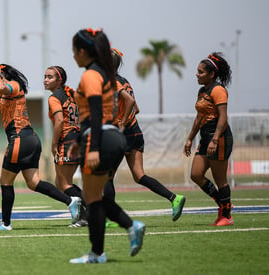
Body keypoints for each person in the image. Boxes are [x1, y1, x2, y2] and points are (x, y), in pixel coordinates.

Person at [68, 28, 145, 264]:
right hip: (111, 137)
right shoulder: (105, 74)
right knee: (95, 197)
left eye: (74, 51)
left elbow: (95, 113)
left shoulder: (90, 75)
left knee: (92, 199)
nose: (73, 56)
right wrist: (79, 142)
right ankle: (126, 230)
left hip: (100, 138)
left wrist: (90, 146)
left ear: (82, 51)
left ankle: (102, 249)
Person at [0, 64, 81, 231]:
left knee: (5, 181)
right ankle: (71, 201)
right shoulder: (1, 94)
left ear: (2, 76)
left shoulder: (13, 85)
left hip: (20, 138)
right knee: (34, 183)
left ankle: (5, 223)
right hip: (29, 139)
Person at [104, 48, 186, 227]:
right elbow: (136, 107)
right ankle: (174, 198)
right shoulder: (124, 81)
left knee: (106, 176)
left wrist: (121, 123)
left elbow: (130, 103)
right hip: (136, 133)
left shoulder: (112, 81)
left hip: (124, 134)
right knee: (139, 176)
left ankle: (110, 218)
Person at [184, 52, 233, 226]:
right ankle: (224, 204)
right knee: (196, 174)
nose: (197, 74)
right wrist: (190, 138)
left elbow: (223, 117)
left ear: (212, 74)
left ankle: (226, 216)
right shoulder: (202, 90)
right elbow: (199, 117)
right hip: (205, 139)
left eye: (201, 72)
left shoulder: (218, 90)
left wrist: (214, 139)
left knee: (220, 180)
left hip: (218, 139)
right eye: (197, 71)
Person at [44, 66, 88, 227]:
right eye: (45, 76)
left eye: (50, 77)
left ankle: (94, 212)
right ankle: (85, 215)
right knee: (61, 182)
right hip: (77, 139)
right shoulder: (70, 96)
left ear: (59, 80)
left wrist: (54, 144)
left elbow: (60, 121)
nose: (45, 80)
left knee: (64, 184)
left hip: (67, 140)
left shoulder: (55, 98)